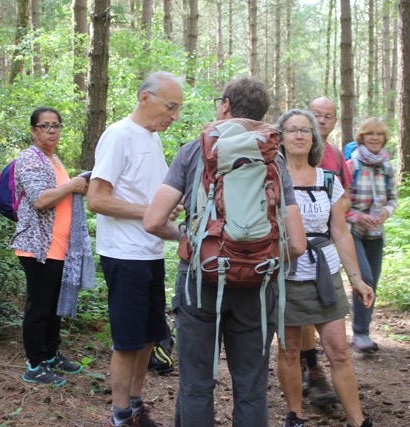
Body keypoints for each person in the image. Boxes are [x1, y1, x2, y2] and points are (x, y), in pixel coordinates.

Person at [143, 77, 307, 427]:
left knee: (196, 384)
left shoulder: (194, 150)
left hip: (201, 281)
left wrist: (191, 240)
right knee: (251, 387)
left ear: (227, 105)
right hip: (258, 287)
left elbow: (153, 220)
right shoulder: (273, 157)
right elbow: (297, 243)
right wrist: (260, 256)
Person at [87, 71, 184, 427]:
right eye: (170, 106)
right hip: (124, 255)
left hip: (150, 253)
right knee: (128, 341)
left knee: (148, 337)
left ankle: (137, 405)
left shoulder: (152, 138)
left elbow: (145, 197)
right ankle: (120, 414)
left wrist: (167, 210)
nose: (174, 116)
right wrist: (151, 211)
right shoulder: (119, 135)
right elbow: (97, 200)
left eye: (178, 109)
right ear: (145, 98)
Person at [275, 109, 375, 427]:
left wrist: (356, 279)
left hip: (324, 274)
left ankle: (357, 420)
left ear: (314, 139)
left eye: (305, 130)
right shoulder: (272, 180)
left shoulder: (327, 180)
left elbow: (340, 232)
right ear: (280, 137)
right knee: (290, 351)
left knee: (339, 352)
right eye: (292, 130)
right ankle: (295, 416)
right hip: (286, 275)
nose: (300, 135)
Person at [12, 107, 91, 386]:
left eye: (56, 126)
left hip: (60, 248)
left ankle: (50, 354)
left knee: (55, 305)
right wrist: (72, 185)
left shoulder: (54, 159)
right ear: (33, 131)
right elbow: (40, 200)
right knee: (40, 306)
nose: (51, 131)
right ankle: (34, 364)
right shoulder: (29, 158)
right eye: (45, 126)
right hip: (37, 247)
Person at [297, 96, 354, 405]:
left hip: (327, 241)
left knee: (324, 304)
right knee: (303, 312)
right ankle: (313, 368)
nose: (321, 120)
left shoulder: (334, 154)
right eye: (315, 115)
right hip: (296, 245)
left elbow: (345, 195)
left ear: (334, 121)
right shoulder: (293, 145)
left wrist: (334, 210)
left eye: (327, 116)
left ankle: (319, 369)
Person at [346, 117, 397, 353]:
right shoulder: (352, 165)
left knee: (372, 282)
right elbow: (341, 204)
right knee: (363, 277)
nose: (375, 138)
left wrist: (386, 212)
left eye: (379, 134)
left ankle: (364, 330)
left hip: (376, 233)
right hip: (353, 231)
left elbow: (393, 199)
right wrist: (358, 216)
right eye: (370, 134)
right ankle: (359, 333)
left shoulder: (387, 166)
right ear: (362, 137)